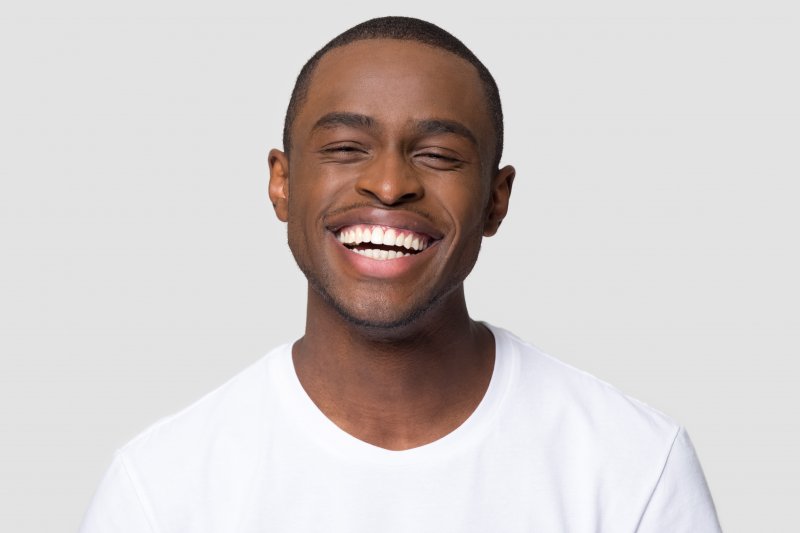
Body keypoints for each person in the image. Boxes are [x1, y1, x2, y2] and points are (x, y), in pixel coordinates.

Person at [80, 16, 722, 532]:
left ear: (497, 199)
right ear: (281, 182)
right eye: (344, 149)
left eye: (438, 155)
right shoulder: (162, 489)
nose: (388, 184)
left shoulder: (633, 467)